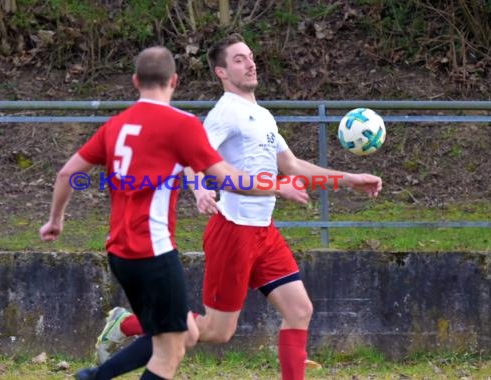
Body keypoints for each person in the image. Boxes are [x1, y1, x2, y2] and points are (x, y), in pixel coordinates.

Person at [76, 35, 383, 380]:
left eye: (250, 57)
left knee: (299, 310)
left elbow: (292, 166)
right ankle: (126, 327)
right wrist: (199, 189)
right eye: (239, 59)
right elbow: (192, 155)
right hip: (233, 230)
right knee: (215, 330)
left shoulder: (263, 116)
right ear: (221, 71)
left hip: (264, 232)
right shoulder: (225, 113)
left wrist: (350, 178)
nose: (250, 63)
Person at [40, 45, 310, 380]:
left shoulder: (116, 126)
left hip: (118, 253)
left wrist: (56, 220)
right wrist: (276, 186)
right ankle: (95, 375)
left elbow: (67, 174)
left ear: (135, 81)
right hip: (154, 252)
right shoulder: (180, 124)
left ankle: (98, 370)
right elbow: (227, 177)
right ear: (175, 81)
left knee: (186, 333)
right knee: (171, 349)